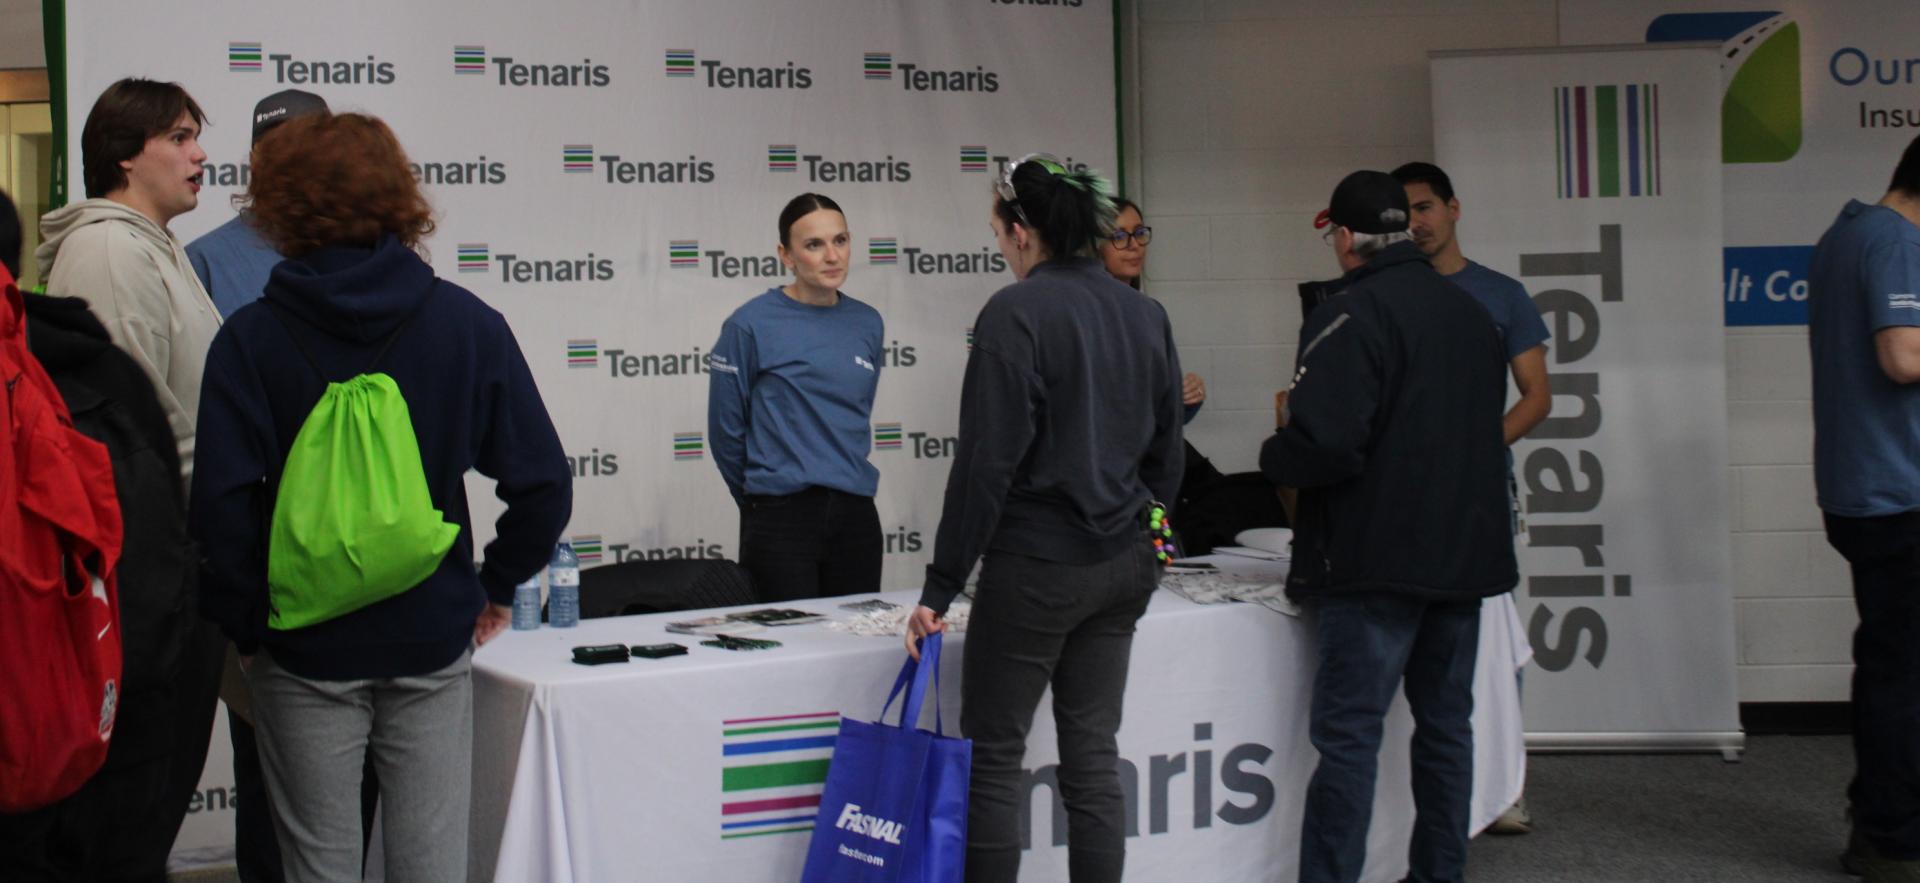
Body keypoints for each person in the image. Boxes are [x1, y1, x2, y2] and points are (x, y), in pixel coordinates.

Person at [190, 110, 572, 882]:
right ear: (400, 198)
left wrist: (251, 624)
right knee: (432, 864)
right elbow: (542, 483)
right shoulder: (467, 325)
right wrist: (491, 587)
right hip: (431, 637)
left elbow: (219, 513)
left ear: (279, 206)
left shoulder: (249, 340)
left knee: (318, 865)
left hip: (301, 650)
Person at [906, 154, 1184, 882]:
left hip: (1038, 568)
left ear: (1021, 230)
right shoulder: (1144, 312)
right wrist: (1152, 542)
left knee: (994, 757)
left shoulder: (1014, 311)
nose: (1001, 243)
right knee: (1093, 754)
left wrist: (939, 587)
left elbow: (984, 467)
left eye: (998, 229)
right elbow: (1167, 453)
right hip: (1123, 563)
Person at [1261, 171, 1514, 883]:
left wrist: (1274, 450)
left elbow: (1329, 445)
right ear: (1404, 226)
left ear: (1344, 239)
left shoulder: (1347, 315)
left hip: (1374, 562)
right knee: (1444, 732)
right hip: (1465, 559)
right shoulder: (1471, 312)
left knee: (1348, 741)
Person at [27, 77, 228, 881]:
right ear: (122, 153)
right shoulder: (108, 251)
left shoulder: (150, 244)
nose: (200, 153)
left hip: (179, 564)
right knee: (128, 825)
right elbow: (127, 437)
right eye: (180, 136)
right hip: (150, 576)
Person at [184, 87, 350, 883]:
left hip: (364, 550)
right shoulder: (210, 259)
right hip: (266, 548)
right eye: (276, 147)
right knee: (263, 767)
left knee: (365, 784)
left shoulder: (371, 251)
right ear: (252, 161)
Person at [1393, 160, 1552, 835]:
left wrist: (1477, 452)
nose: (1417, 223)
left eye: (1426, 207)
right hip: (1400, 495)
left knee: (1492, 635)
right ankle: (1421, 789)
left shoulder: (1502, 294)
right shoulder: (1387, 295)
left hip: (1482, 491)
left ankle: (1505, 784)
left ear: (1454, 208)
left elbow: (1537, 396)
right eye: (1404, 214)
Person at [1808, 133, 1920, 883]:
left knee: (1890, 662)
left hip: (1866, 487)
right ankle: (1891, 839)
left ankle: (1877, 818)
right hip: (1899, 491)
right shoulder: (1894, 239)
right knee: (1903, 674)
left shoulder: (1844, 234)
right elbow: (1903, 356)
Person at [707, 193, 885, 601]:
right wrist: (763, 499)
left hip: (855, 514)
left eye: (840, 241)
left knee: (856, 648)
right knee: (789, 650)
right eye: (814, 245)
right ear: (786, 255)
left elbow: (856, 412)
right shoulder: (749, 324)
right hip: (779, 517)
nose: (831, 256)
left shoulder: (868, 322)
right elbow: (725, 432)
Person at [1098, 197, 1208, 422]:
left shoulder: (1151, 313)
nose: (1134, 245)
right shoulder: (1081, 314)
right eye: (1119, 236)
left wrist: (1187, 398)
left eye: (1139, 233)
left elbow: (1162, 413)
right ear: (1096, 246)